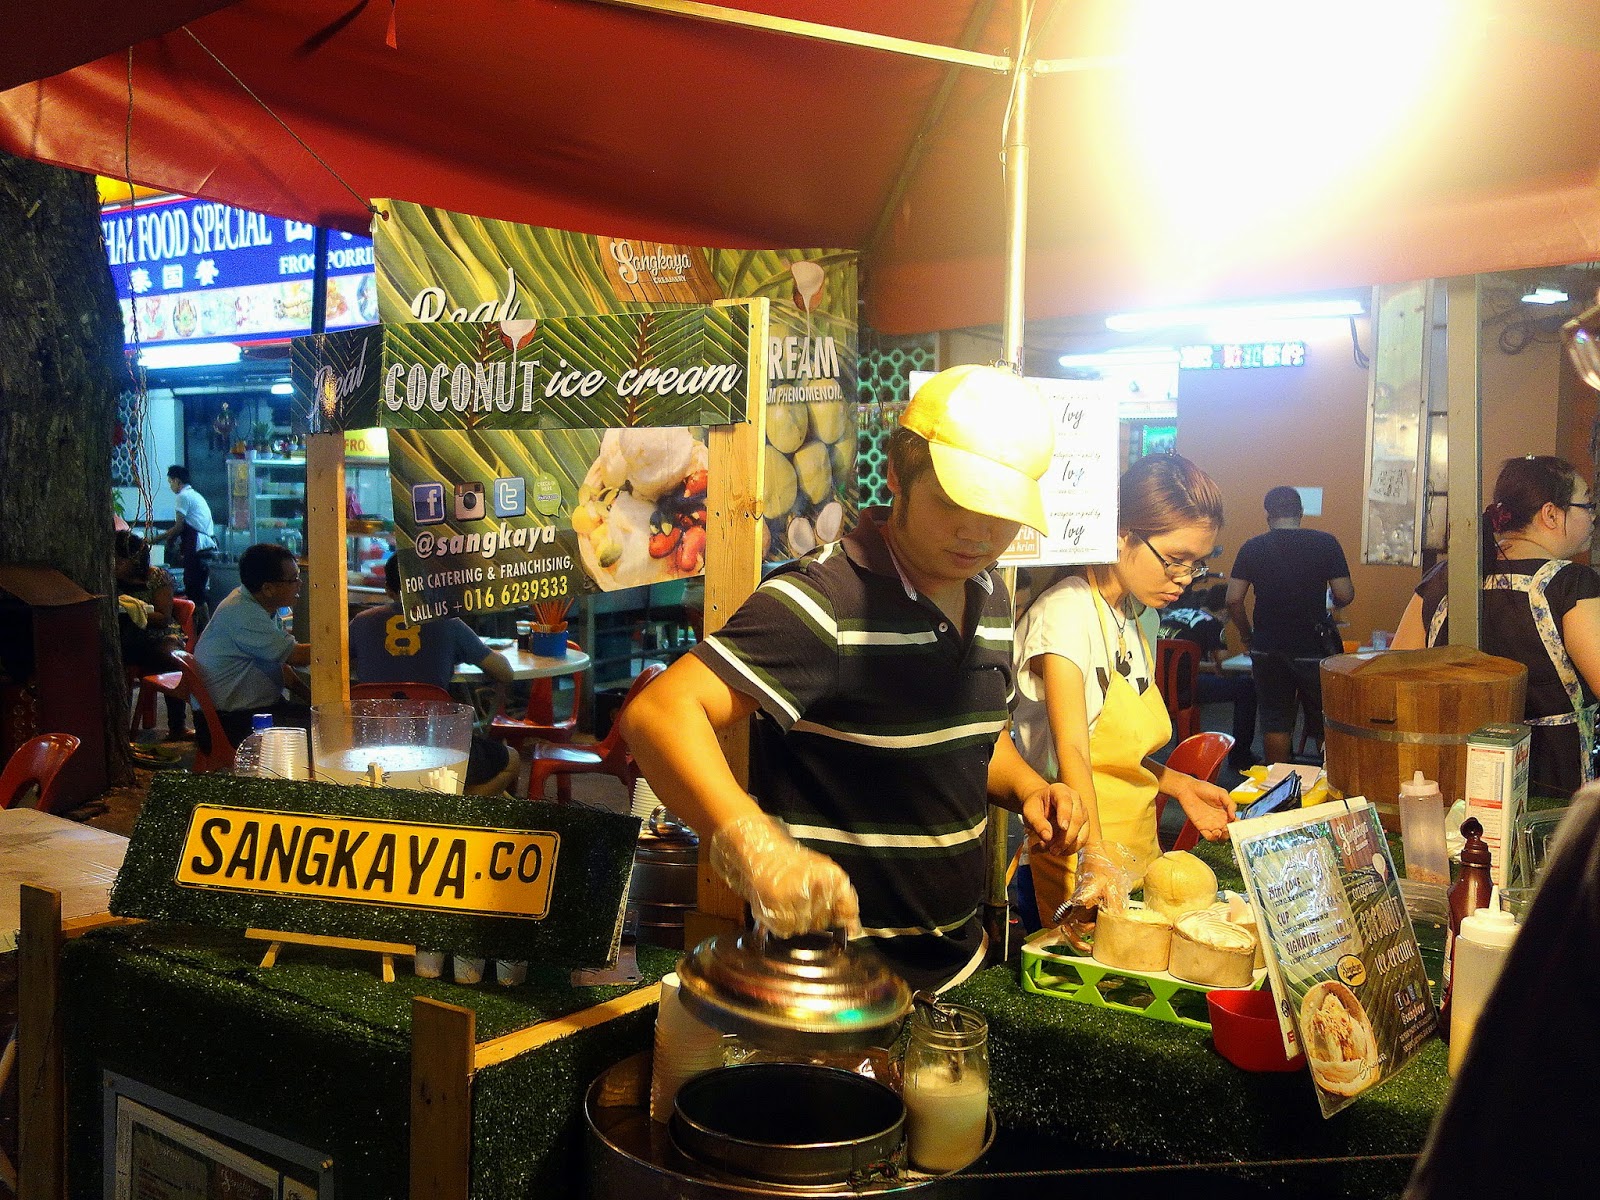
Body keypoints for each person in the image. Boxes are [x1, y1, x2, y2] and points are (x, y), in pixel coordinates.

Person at [620, 364, 1089, 994]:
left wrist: (1031, 787)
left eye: (1000, 512)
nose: (978, 532)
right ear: (897, 475)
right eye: (954, 501)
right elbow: (659, 713)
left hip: (958, 964)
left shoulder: (991, 591)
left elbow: (967, 736)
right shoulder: (826, 600)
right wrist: (755, 846)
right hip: (831, 984)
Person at [1012, 455, 1237, 924]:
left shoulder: (1142, 617)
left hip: (1135, 852)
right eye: (1174, 560)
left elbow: (1114, 756)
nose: (1184, 579)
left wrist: (1181, 786)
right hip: (1072, 857)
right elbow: (1071, 748)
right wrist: (1094, 860)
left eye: (1197, 564)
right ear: (1120, 533)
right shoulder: (1066, 611)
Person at [1392, 455, 1600, 795]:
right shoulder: (1570, 584)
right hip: (1551, 785)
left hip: (1448, 779)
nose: (1592, 516)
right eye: (1587, 504)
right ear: (1551, 514)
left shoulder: (1442, 579)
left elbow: (1395, 675)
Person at [349, 556, 521, 796]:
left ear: (388, 590)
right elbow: (505, 673)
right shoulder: (450, 623)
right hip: (436, 744)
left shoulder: (360, 622)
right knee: (511, 759)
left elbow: (336, 661)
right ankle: (454, 808)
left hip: (371, 742)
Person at [1227, 485, 1353, 766]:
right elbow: (1344, 594)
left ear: (1268, 515)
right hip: (1313, 647)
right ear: (1301, 512)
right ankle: (1329, 783)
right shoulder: (1325, 543)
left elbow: (1233, 599)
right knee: (1323, 720)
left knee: (1275, 721)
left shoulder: (1252, 547)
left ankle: (1279, 787)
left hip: (1267, 647)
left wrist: (1247, 636)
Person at [191, 542, 311, 751]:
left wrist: (313, 701)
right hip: (231, 722)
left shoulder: (258, 605)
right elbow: (296, 656)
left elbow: (283, 668)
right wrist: (347, 647)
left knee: (325, 721)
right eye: (293, 579)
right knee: (325, 733)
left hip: (255, 710)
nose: (299, 584)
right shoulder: (243, 613)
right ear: (268, 588)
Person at [1158, 575, 1259, 772]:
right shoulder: (1212, 623)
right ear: (1225, 610)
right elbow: (1224, 665)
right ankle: (1240, 756)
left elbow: (1182, 659)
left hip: (1154, 686)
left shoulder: (1174, 614)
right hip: (1184, 689)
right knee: (1246, 687)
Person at [115, 529, 189, 741]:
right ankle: (118, 729)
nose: (114, 565)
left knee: (171, 659)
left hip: (158, 637)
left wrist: (133, 610)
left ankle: (178, 726)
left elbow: (163, 617)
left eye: (119, 561)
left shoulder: (156, 577)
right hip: (126, 638)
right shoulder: (108, 578)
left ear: (135, 559)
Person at [161, 464, 218, 620]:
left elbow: (178, 527)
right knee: (197, 590)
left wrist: (155, 539)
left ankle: (203, 629)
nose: (170, 485)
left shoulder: (183, 497)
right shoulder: (195, 495)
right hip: (206, 546)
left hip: (197, 547)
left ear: (177, 481)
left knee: (195, 592)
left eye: (170, 482)